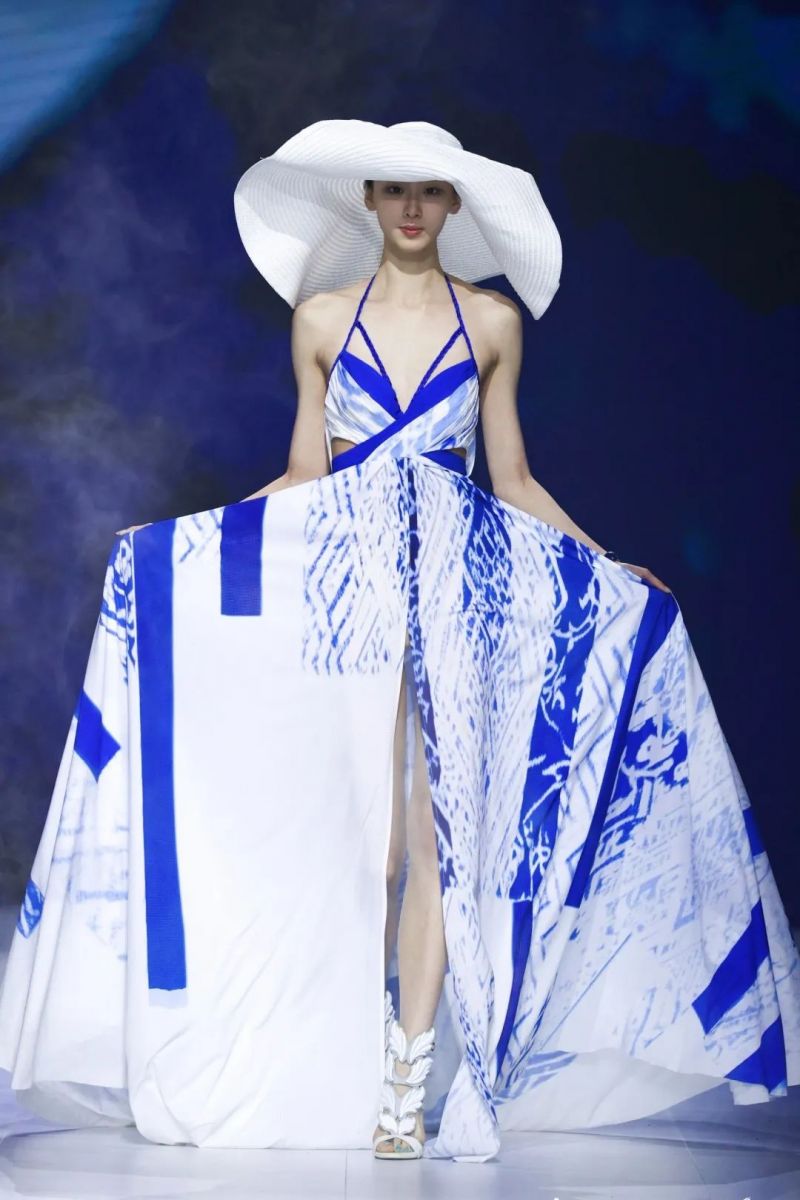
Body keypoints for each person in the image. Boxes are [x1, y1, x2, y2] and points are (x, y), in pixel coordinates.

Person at [0, 120, 798, 1165]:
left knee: (432, 842)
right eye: (393, 190)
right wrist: (180, 542)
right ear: (367, 201)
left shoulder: (493, 322)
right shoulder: (322, 318)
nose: (412, 208)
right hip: (348, 601)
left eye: (429, 191)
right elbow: (306, 476)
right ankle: (347, 1053)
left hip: (462, 604)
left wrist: (605, 563)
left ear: (453, 205)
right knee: (367, 845)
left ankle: (401, 1086)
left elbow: (511, 479)